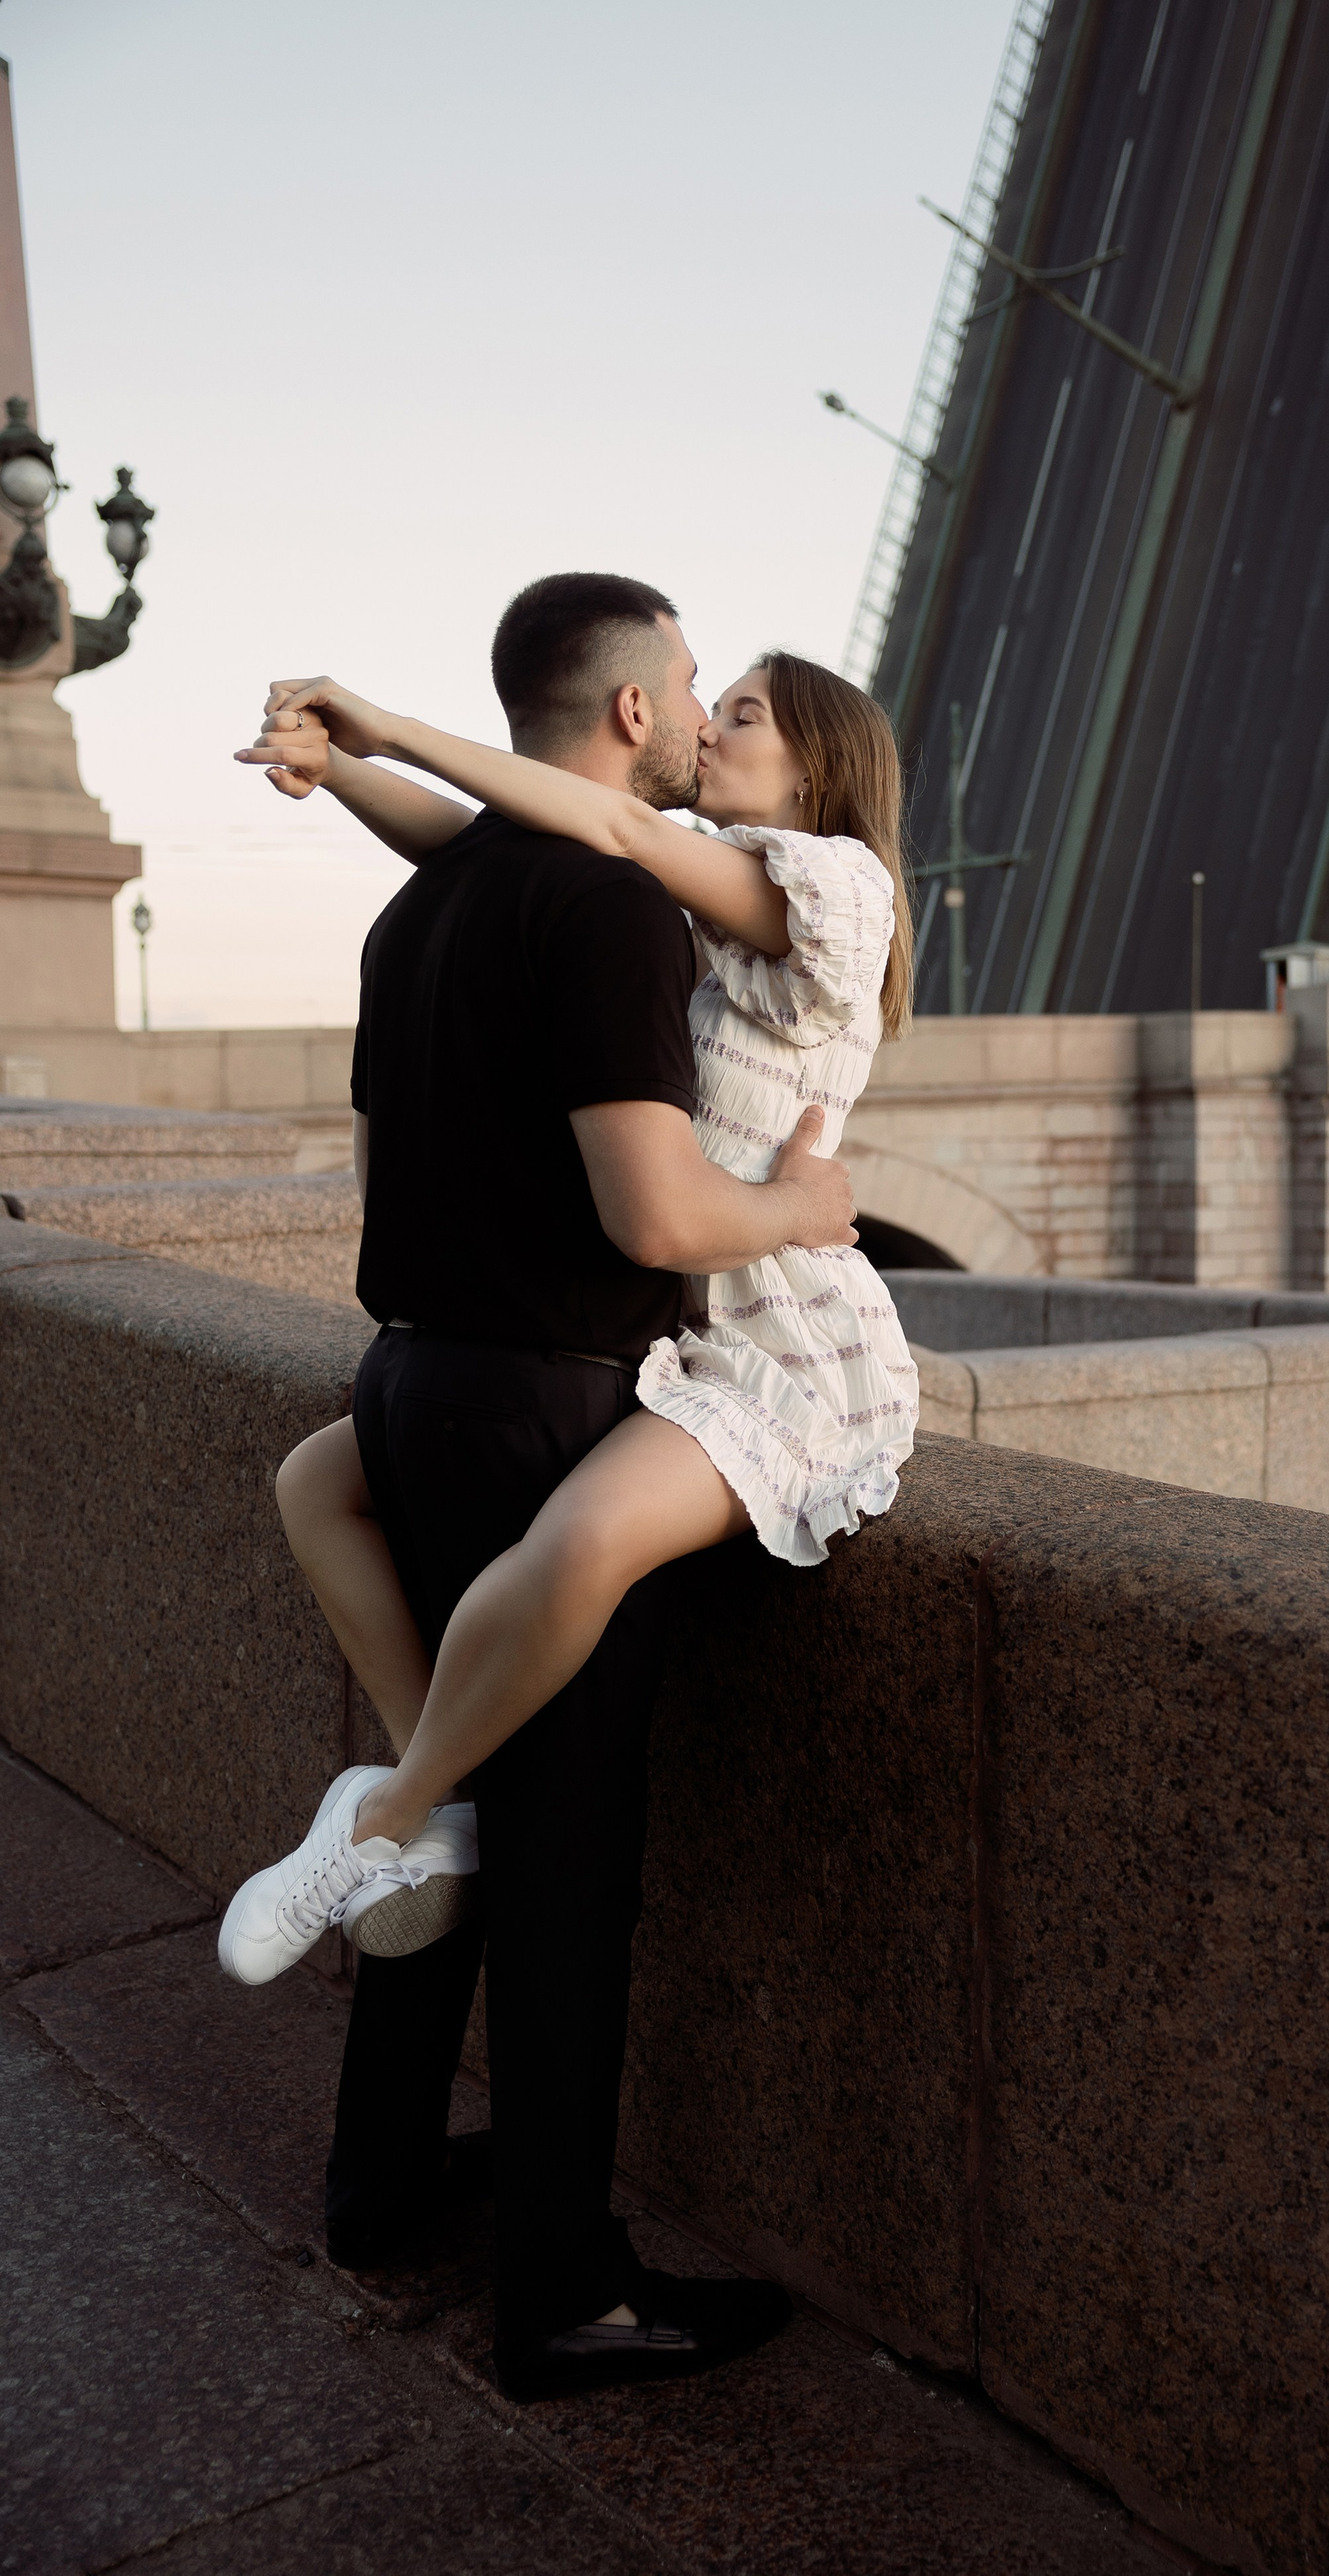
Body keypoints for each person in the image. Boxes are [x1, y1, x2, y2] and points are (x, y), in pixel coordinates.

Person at [226, 573, 880, 2397]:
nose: (698, 713)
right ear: (628, 718)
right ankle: (567, 2294)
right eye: (689, 689)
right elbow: (660, 1216)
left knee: (455, 1804)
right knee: (564, 1859)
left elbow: (468, 838)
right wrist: (807, 1209)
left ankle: (377, 2184)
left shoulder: (421, 913)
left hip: (406, 1381)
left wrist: (357, 752)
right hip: (552, 1410)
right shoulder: (603, 898)